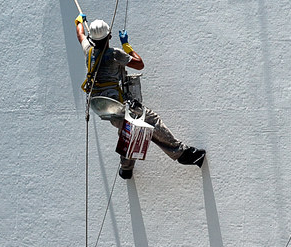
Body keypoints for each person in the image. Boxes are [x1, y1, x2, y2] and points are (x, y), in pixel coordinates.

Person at [75, 16, 205, 179]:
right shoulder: (115, 53)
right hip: (117, 104)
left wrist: (78, 21)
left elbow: (80, 34)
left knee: (129, 130)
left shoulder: (88, 50)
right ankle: (182, 154)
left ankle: (126, 169)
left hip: (102, 106)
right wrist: (126, 45)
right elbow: (139, 63)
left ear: (92, 39)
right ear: (109, 36)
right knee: (151, 121)